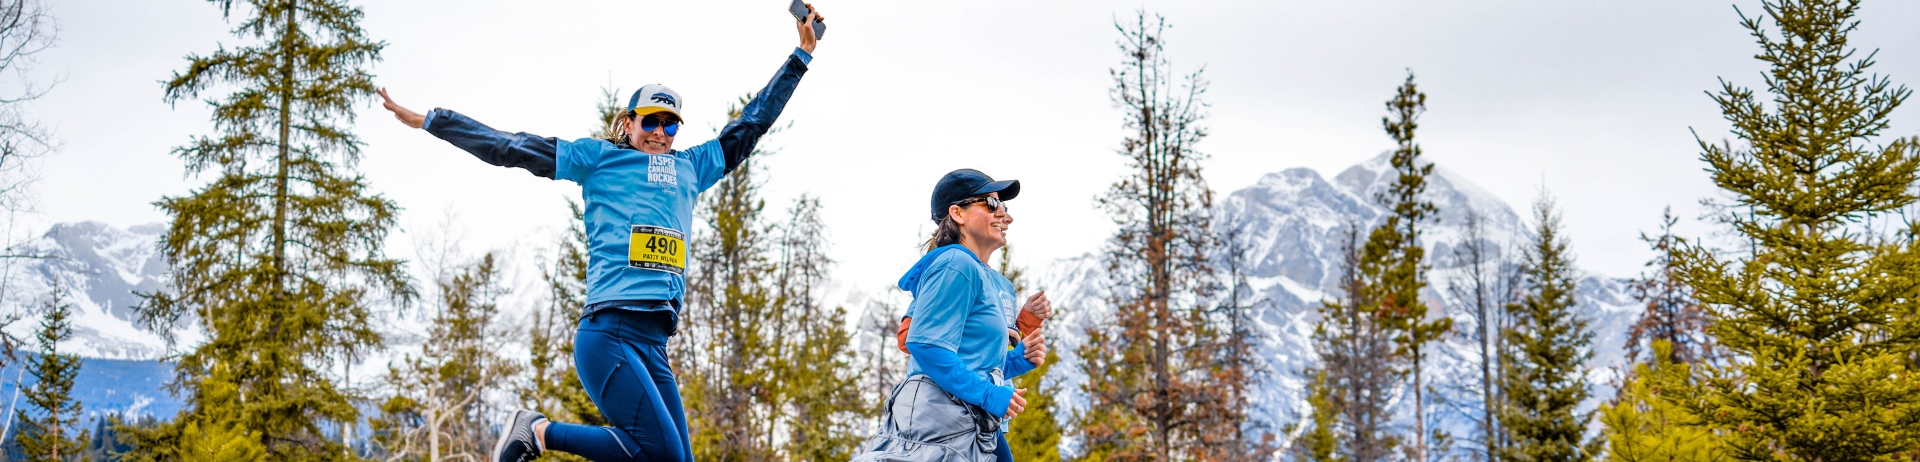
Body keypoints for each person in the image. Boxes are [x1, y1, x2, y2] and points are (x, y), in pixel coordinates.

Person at [375, 8, 825, 462]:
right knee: (663, 457)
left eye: (670, 124)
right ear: (628, 122)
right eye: (650, 121)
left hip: (654, 344)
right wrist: (434, 120)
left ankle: (540, 432)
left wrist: (801, 56)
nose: (660, 132)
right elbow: (511, 147)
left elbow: (750, 125)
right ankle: (539, 431)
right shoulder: (598, 159)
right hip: (608, 332)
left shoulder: (693, 166)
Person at [852, 169, 1046, 462]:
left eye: (1005, 207)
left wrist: (1018, 361)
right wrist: (989, 395)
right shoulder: (956, 264)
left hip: (968, 423)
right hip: (942, 424)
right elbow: (923, 344)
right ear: (958, 213)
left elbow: (973, 359)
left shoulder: (979, 275)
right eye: (992, 204)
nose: (1006, 216)